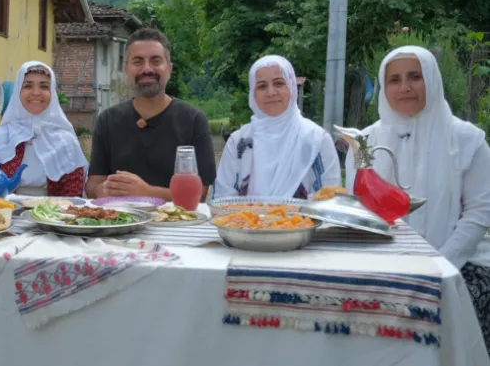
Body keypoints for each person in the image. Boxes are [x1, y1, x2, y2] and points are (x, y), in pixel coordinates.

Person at [345, 46, 490, 351]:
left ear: (432, 80)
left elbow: (479, 213)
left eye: (415, 77)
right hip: (380, 266)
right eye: (394, 80)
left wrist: (438, 266)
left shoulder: (468, 140)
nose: (405, 87)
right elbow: (358, 211)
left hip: (455, 265)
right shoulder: (365, 142)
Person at [85, 27, 216, 201]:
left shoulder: (193, 121)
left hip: (175, 218)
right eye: (138, 61)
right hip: (121, 216)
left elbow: (199, 194)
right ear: (126, 69)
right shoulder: (107, 121)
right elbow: (93, 185)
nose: (147, 69)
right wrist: (102, 190)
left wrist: (146, 192)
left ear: (169, 69)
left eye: (155, 61)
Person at [213, 55, 341, 199]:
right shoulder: (238, 142)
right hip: (240, 215)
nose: (271, 92)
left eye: (279, 83)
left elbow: (330, 200)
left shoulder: (316, 140)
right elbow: (222, 198)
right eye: (262, 86)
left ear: (292, 87)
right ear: (253, 94)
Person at [0, 61, 87, 197]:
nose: (36, 92)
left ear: (52, 93)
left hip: (54, 210)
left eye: (44, 86)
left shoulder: (66, 142)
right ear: (18, 91)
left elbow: (73, 193)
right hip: (2, 209)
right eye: (27, 86)